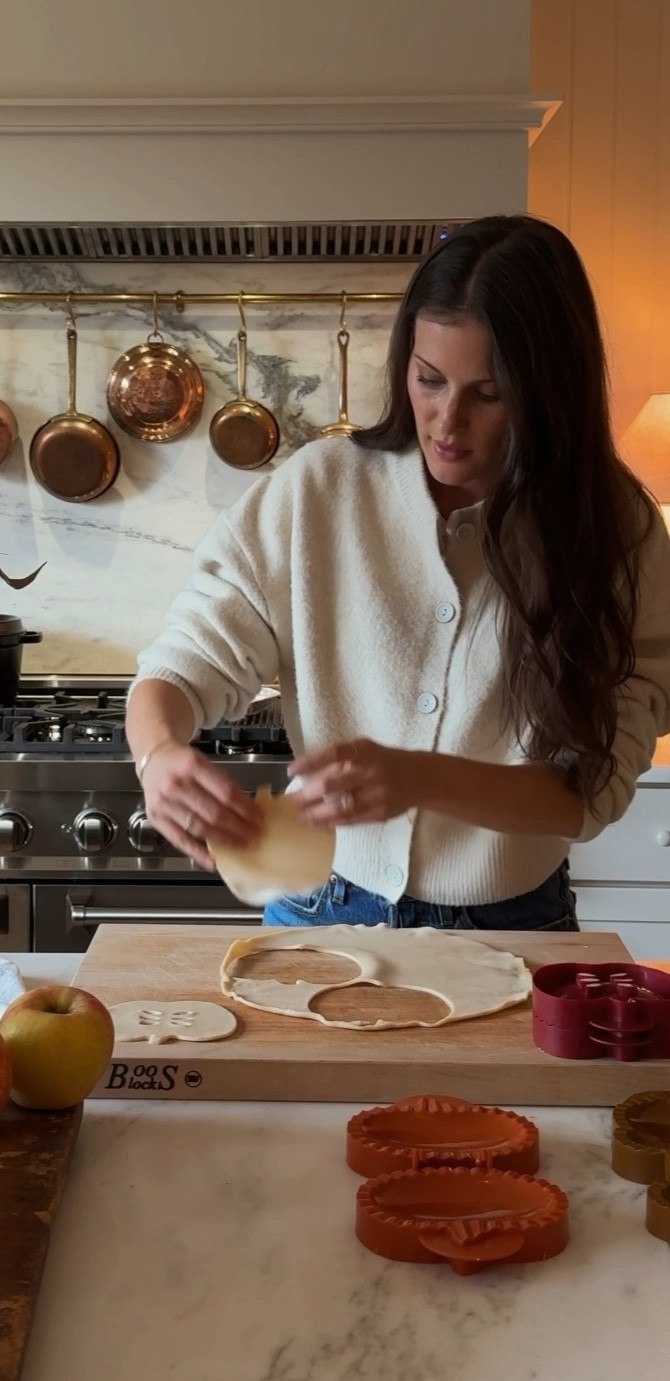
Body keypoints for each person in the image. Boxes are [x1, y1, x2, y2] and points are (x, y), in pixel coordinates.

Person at [125, 215, 670, 931]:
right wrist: (160, 753)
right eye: (429, 379)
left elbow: (587, 796)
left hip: (510, 927)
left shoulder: (614, 530)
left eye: (489, 393)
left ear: (548, 390)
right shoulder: (320, 489)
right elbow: (185, 658)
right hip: (317, 907)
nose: (447, 421)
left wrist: (419, 778)